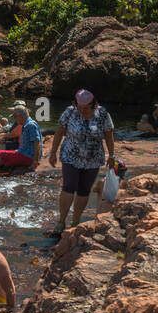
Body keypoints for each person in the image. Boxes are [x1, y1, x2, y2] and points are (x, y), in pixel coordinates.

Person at [46, 89, 116, 238]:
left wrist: (112, 155)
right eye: (80, 107)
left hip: (93, 158)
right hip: (70, 156)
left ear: (93, 105)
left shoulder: (103, 114)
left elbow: (109, 135)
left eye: (86, 108)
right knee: (69, 186)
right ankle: (61, 221)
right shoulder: (70, 112)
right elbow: (59, 132)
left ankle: (75, 222)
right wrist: (53, 153)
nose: (82, 110)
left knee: (84, 190)